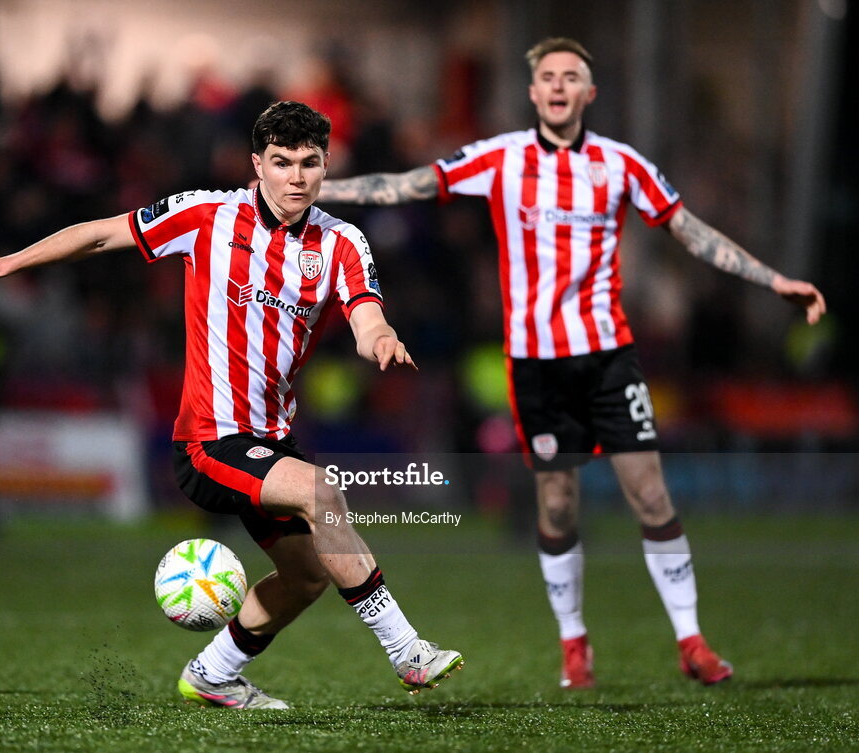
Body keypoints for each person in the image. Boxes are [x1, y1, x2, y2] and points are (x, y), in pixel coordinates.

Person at [318, 38, 826, 689]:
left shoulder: (621, 164)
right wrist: (321, 186)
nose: (558, 86)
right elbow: (408, 184)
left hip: (608, 355)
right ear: (533, 92)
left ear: (588, 93)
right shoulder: (500, 157)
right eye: (548, 77)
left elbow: (690, 230)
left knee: (651, 492)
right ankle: (574, 644)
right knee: (557, 506)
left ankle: (693, 640)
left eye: (571, 78)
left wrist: (773, 278)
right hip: (537, 365)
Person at [0, 101, 462, 709]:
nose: (296, 177)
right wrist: (8, 262)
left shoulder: (342, 242)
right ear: (256, 166)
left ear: (325, 167)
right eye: (282, 162)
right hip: (209, 441)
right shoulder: (206, 215)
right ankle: (408, 653)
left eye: (310, 163)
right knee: (323, 492)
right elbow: (104, 231)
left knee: (308, 576)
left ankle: (212, 674)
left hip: (271, 442)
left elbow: (365, 313)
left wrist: (380, 339)